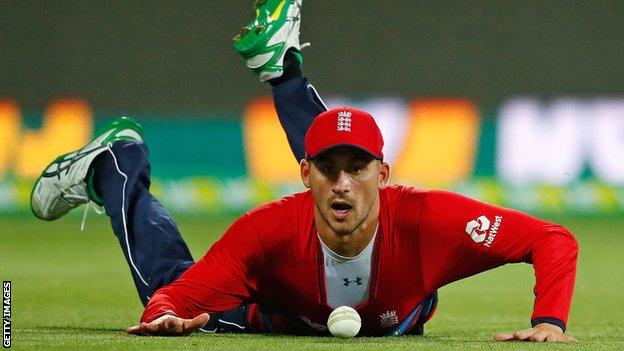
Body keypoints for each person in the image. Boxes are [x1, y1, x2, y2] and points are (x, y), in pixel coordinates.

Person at [30, 0, 578, 342]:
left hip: (402, 305)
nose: (343, 182)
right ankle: (115, 167)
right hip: (270, 311)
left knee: (341, 169)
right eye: (325, 169)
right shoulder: (264, 234)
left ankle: (284, 72)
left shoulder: (431, 221)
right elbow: (173, 301)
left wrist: (550, 323)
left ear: (384, 174)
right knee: (165, 282)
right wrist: (171, 313)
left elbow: (553, 240)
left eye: (359, 167)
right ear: (302, 174)